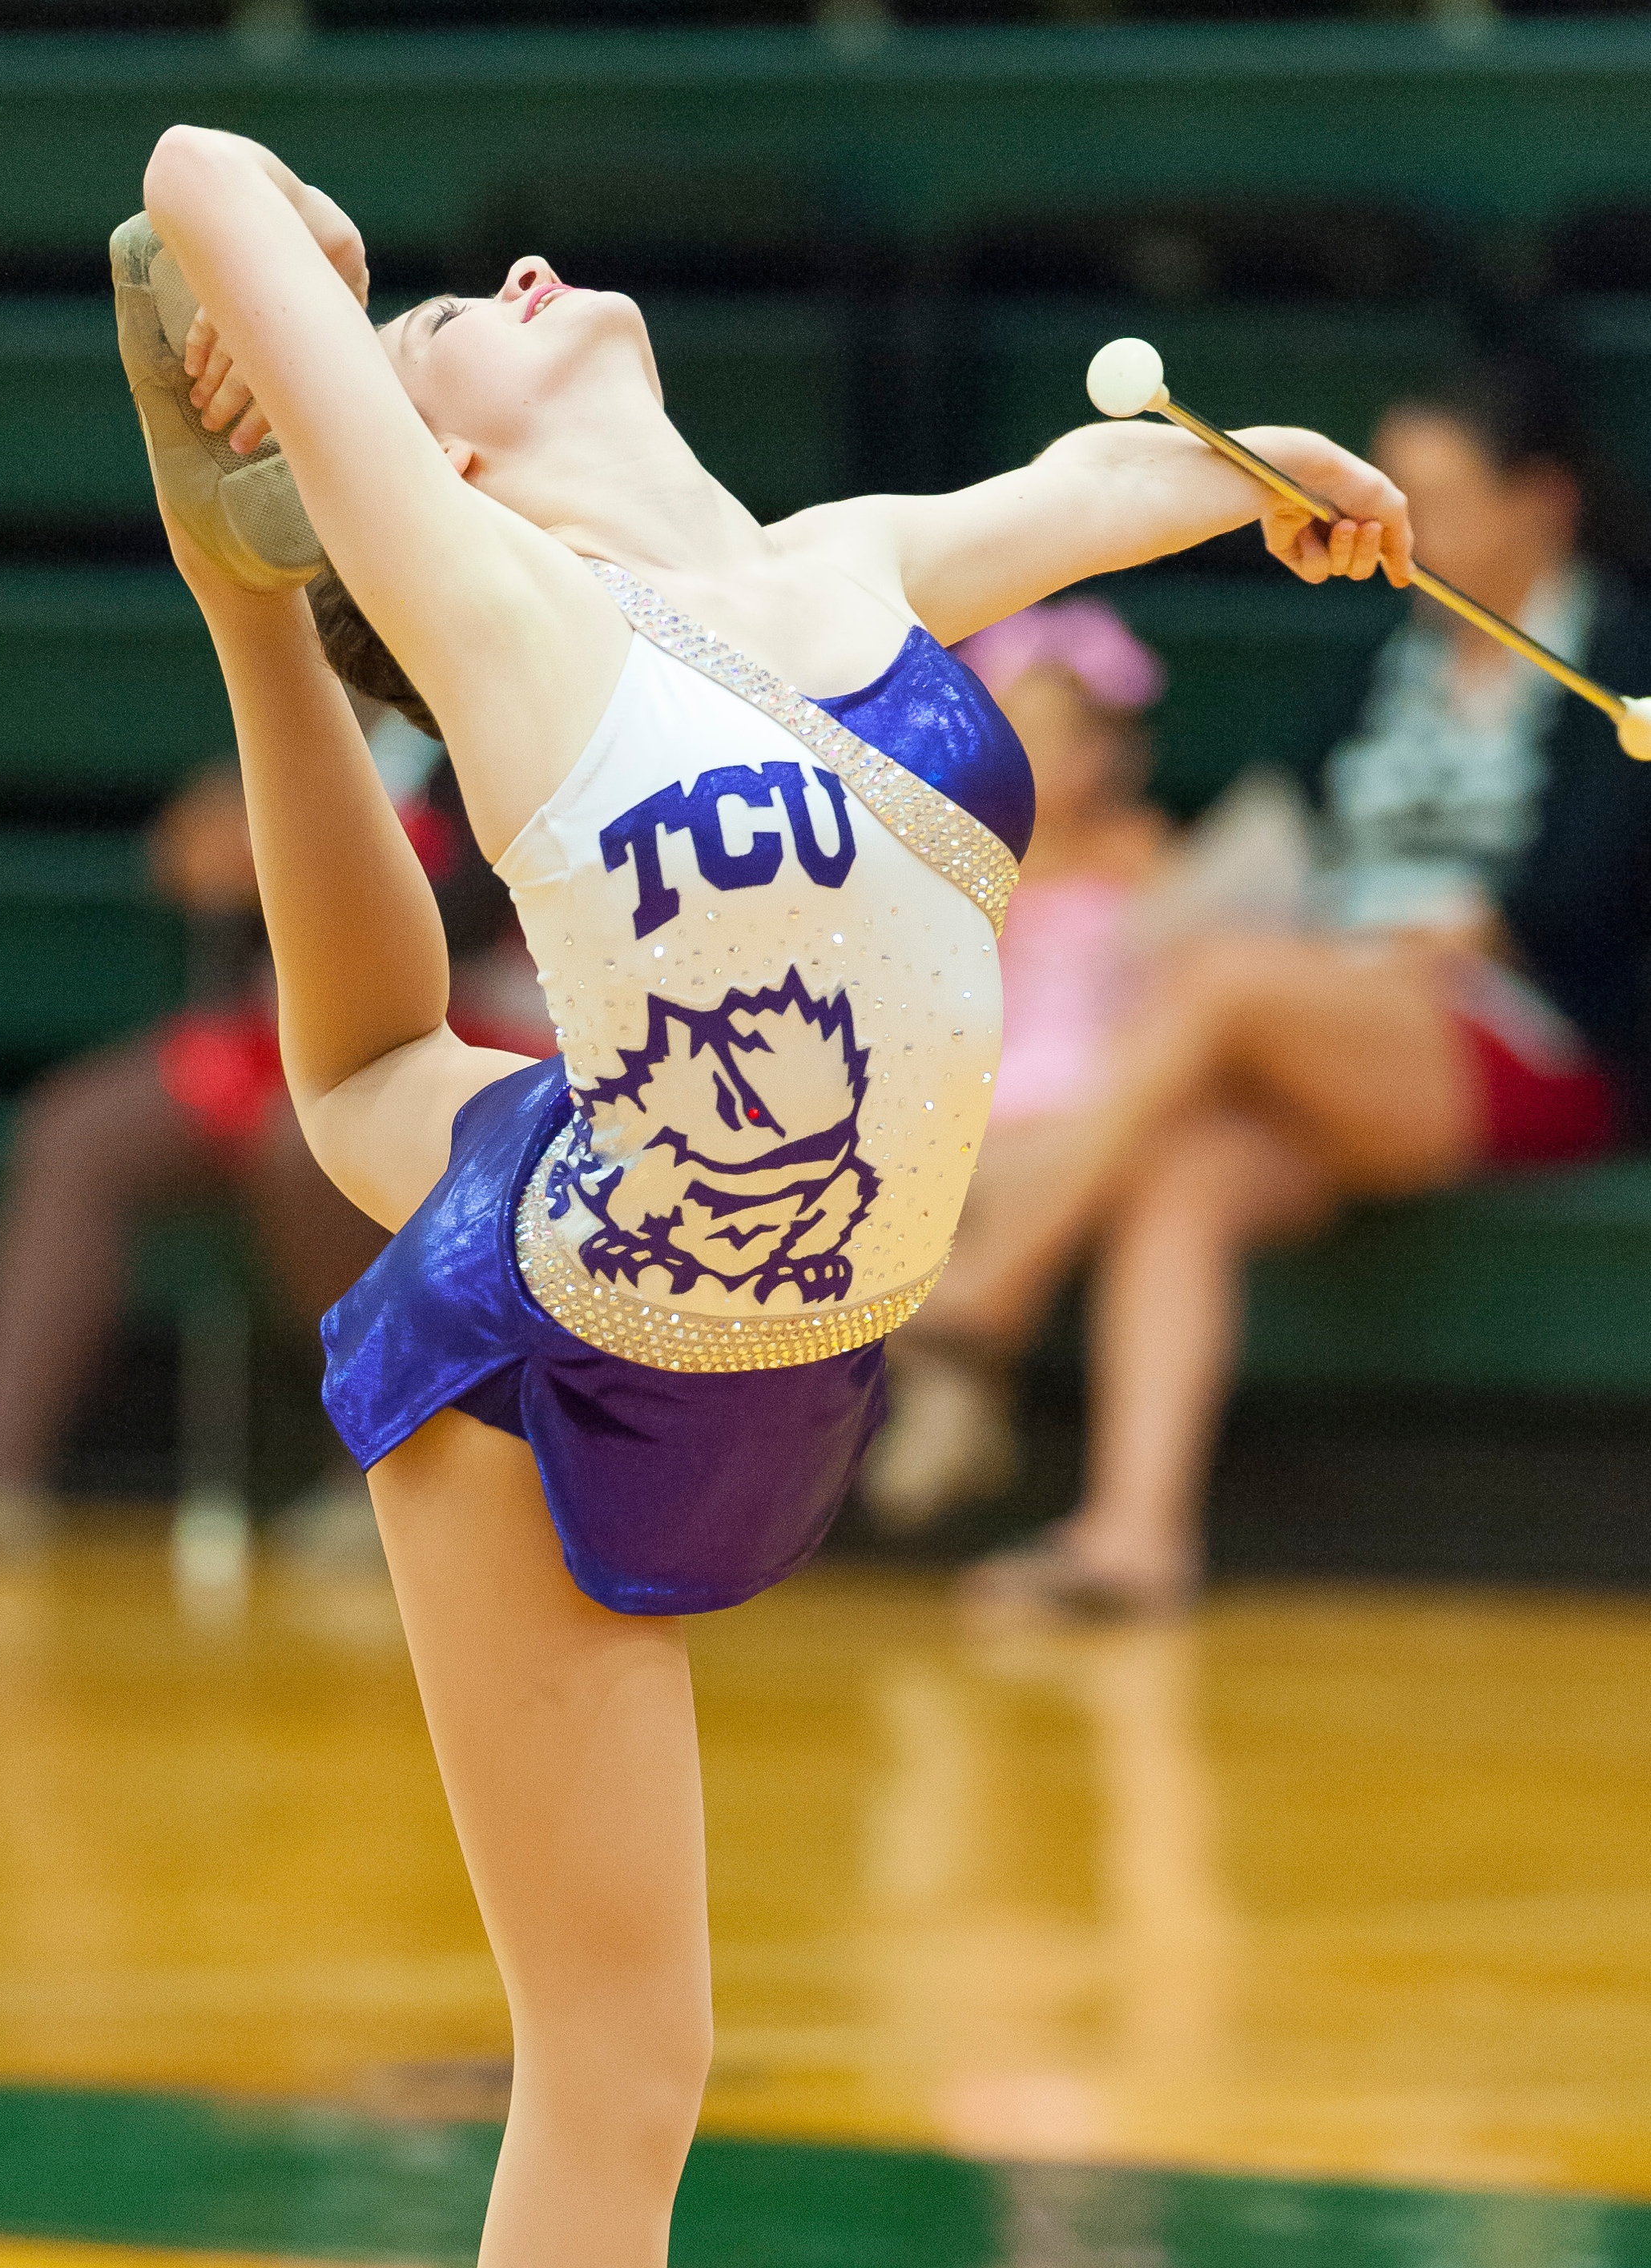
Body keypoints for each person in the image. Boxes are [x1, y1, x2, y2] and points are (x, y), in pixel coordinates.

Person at [129, 120, 1411, 2262]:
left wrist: (1262, 463)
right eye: (439, 323)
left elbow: (1089, 489)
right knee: (624, 2071)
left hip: (779, 1331)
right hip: (544, 1349)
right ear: (412, 466)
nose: (516, 267)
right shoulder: (498, 598)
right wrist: (304, 266)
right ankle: (245, 616)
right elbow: (190, 166)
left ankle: (239, 611)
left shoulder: (851, 560)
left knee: (377, 1071)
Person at [946, 360, 1651, 1619]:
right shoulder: (1395, 664)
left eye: (1431, 493)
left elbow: (1593, 893)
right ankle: (1132, 1538)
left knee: (1226, 986)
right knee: (1188, 1173)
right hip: (1351, 1019)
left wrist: (1468, 931)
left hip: (1534, 1047)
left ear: (1541, 501)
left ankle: (994, 1279)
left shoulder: (1625, 659)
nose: (1397, 519)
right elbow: (1292, 836)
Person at [0, 725, 548, 1561]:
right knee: (78, 1132)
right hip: (295, 1035)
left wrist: (272, 860)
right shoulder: (299, 717)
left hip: (465, 1039)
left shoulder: (486, 718)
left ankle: (395, 1474)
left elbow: (454, 926)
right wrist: (210, 856)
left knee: (301, 1152)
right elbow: (244, 940)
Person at [859, 597, 1170, 1523]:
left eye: (1060, 739)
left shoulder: (1141, 856)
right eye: (1014, 735)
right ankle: (949, 1393)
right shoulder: (962, 859)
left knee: (1005, 1172)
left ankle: (956, 1369)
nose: (1038, 762)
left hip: (1086, 1093)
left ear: (1108, 753)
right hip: (977, 1090)